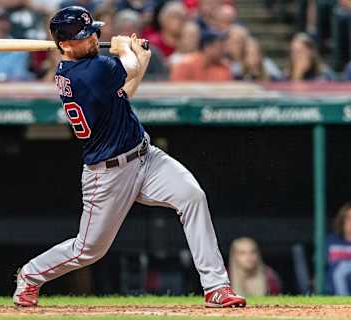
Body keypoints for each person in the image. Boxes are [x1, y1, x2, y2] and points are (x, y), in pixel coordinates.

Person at [13, 6, 246, 308]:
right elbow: (128, 68)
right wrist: (129, 51)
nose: (95, 38)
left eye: (93, 31)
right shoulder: (89, 71)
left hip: (145, 157)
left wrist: (136, 60)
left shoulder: (87, 67)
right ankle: (30, 275)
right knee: (89, 250)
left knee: (192, 196)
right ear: (66, 45)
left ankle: (216, 287)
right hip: (107, 173)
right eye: (85, 36)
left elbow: (126, 89)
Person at [325, 202, 351, 295]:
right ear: (342, 220)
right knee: (339, 270)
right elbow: (321, 267)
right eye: (349, 219)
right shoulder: (331, 241)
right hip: (332, 290)